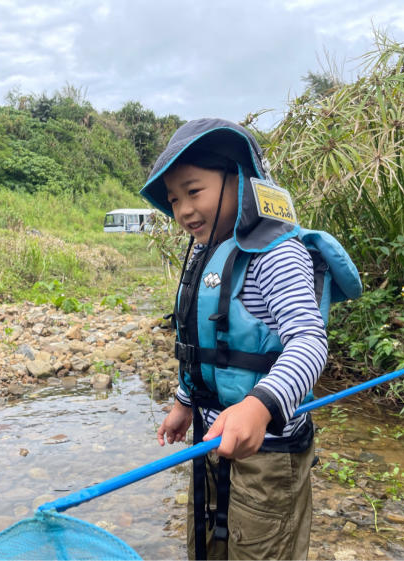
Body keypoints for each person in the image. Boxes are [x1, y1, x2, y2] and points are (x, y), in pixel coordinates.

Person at [139, 118, 361, 560]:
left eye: (194, 190)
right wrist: (185, 401)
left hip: (269, 449)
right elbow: (209, 347)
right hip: (211, 436)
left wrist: (260, 406)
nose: (183, 210)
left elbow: (309, 340)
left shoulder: (277, 254)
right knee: (210, 545)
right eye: (174, 199)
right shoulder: (207, 253)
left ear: (240, 181)